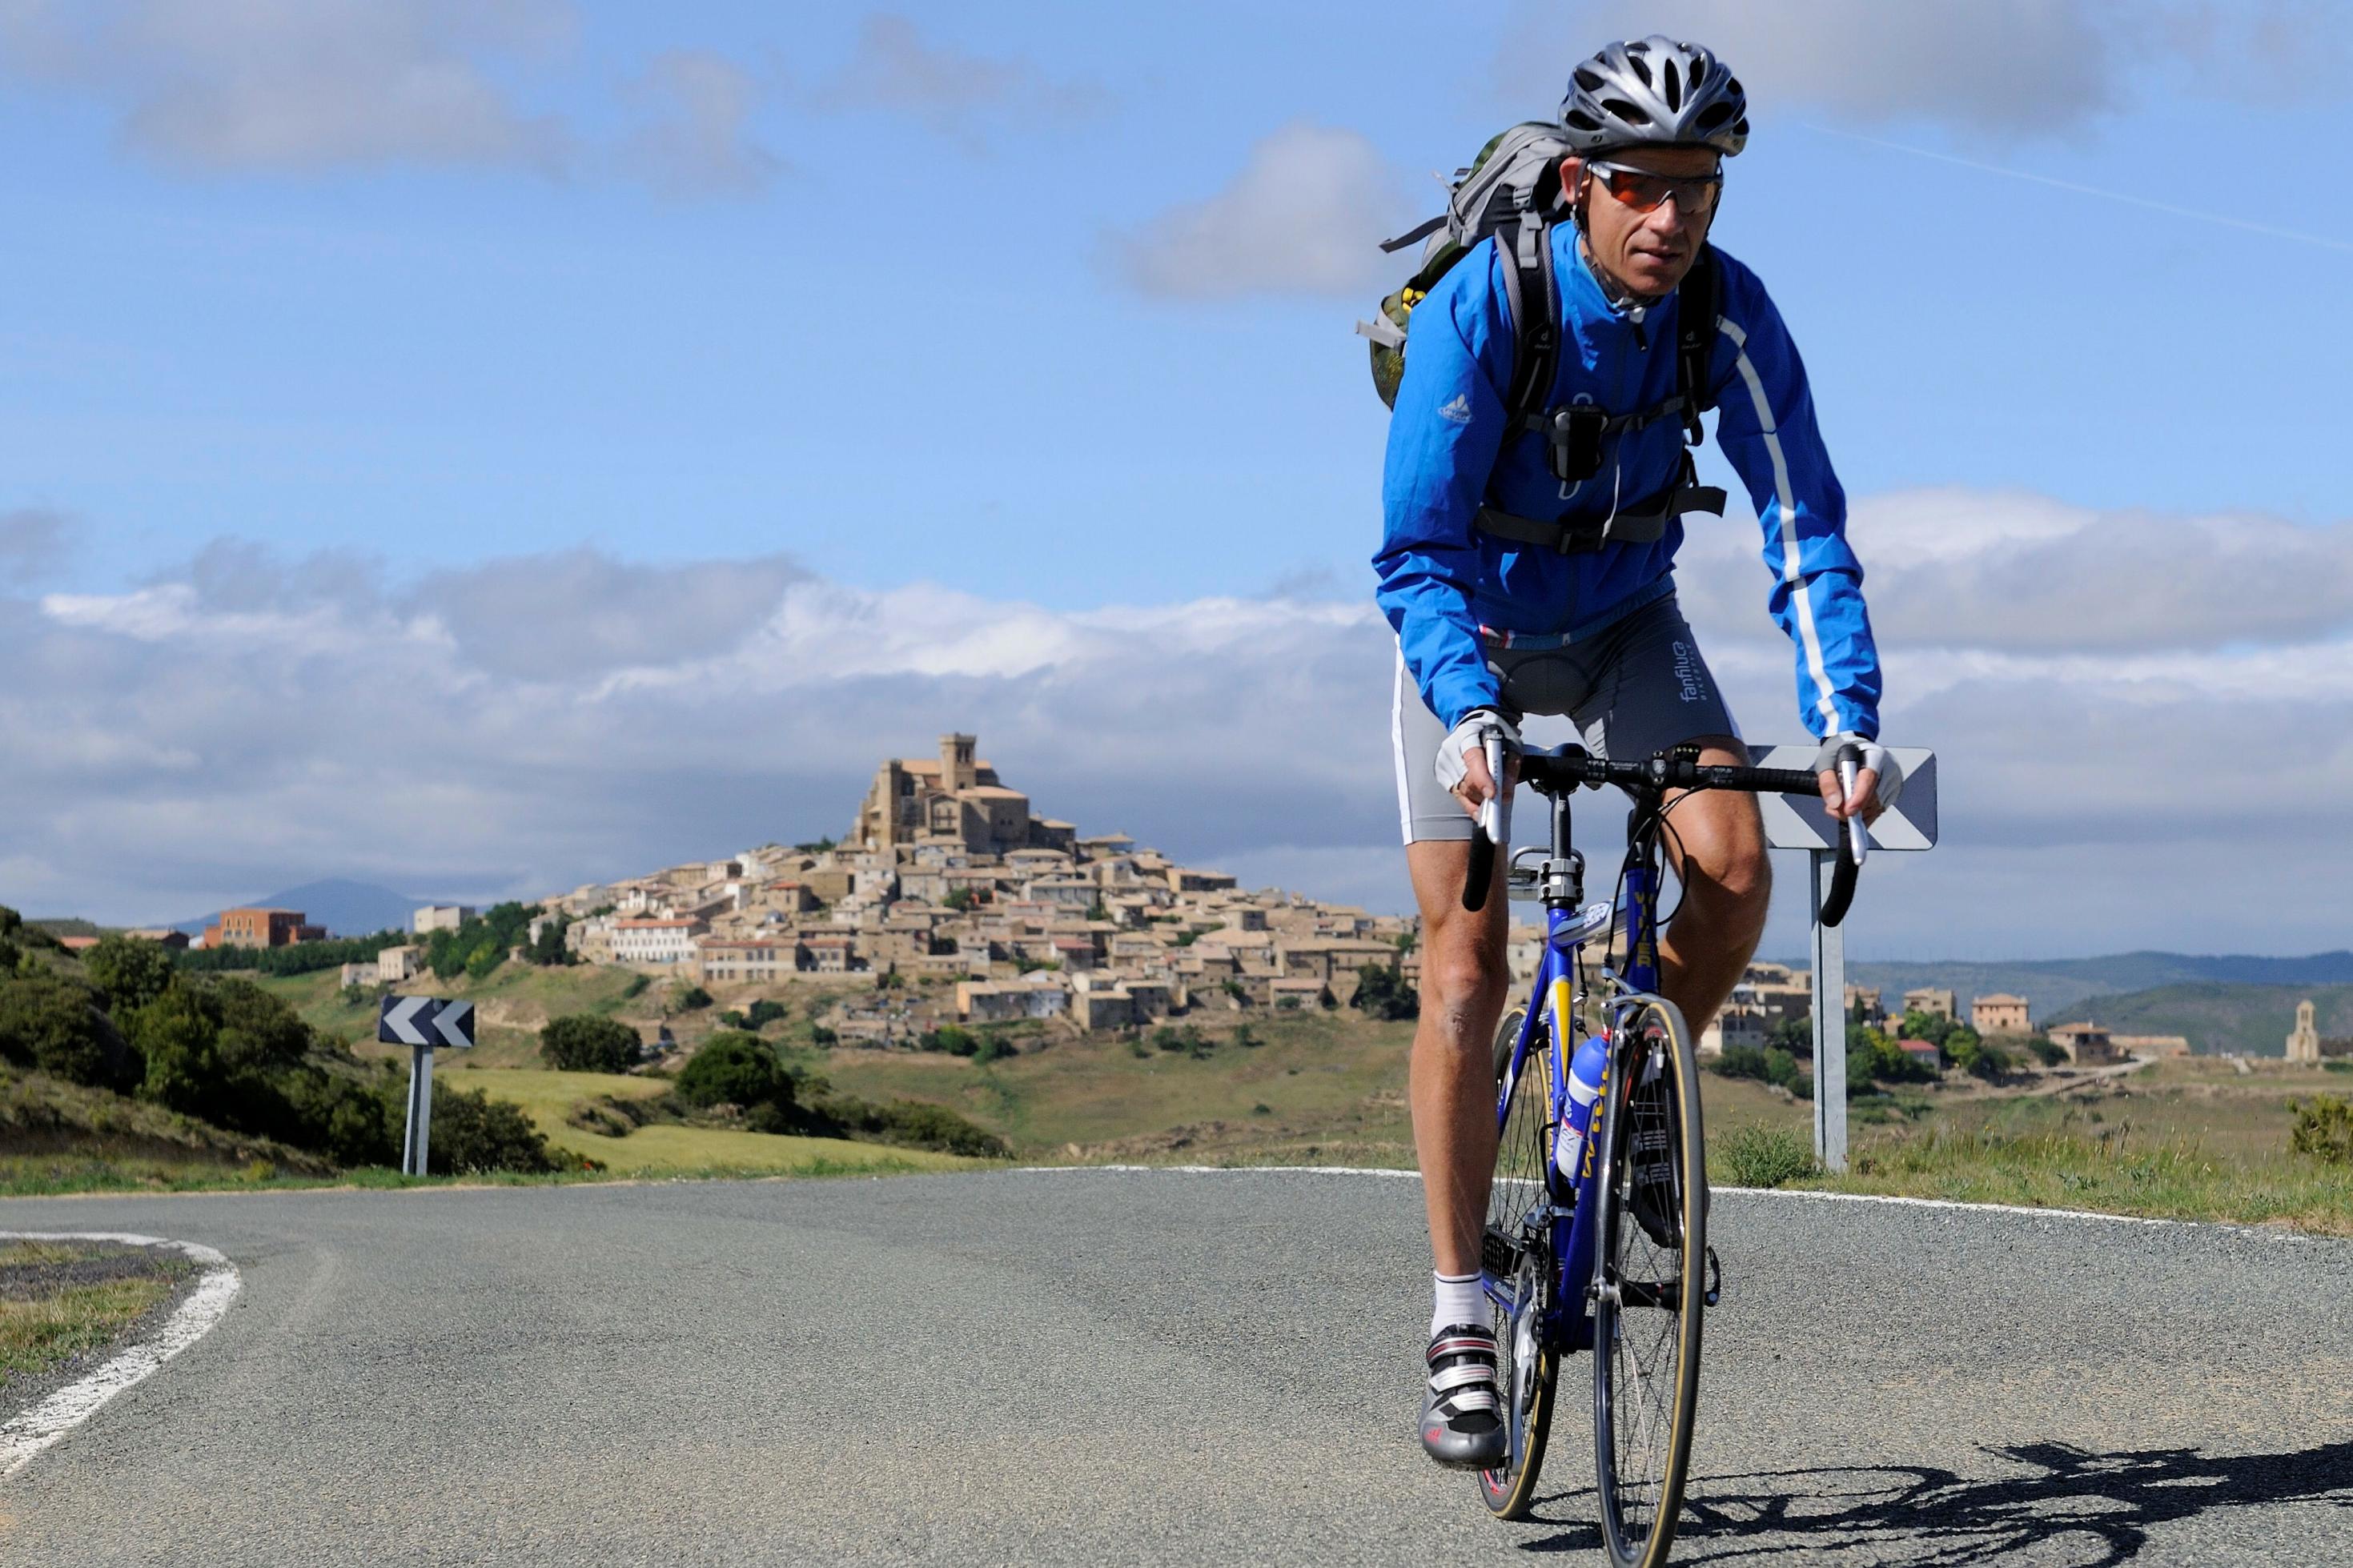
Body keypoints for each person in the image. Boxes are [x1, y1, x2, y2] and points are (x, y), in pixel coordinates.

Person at [1372, 35, 1900, 1468]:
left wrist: (1847, 719)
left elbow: (1805, 527)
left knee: (1732, 869)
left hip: (1622, 622)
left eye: (1699, 187)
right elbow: (1414, 549)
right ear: (1579, 182)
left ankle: (1639, 1074)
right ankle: (1462, 1315)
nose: (1670, 218)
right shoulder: (1486, 306)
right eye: (1640, 185)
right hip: (1467, 632)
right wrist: (1469, 709)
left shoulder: (1727, 312)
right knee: (1467, 963)